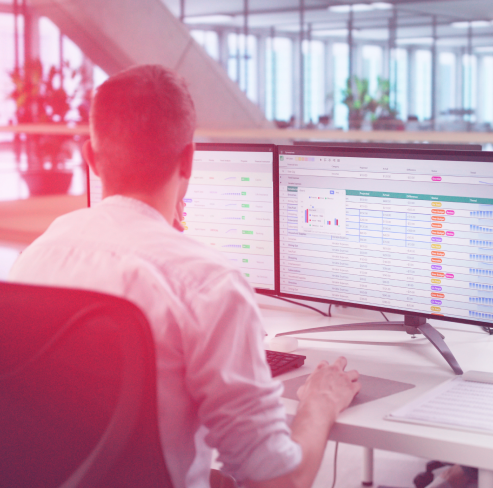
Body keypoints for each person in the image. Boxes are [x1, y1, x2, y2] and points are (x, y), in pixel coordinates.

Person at [8, 65, 360, 488]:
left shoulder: (37, 257)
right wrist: (319, 402)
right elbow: (276, 482)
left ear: (91, 159)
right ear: (189, 160)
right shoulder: (208, 284)